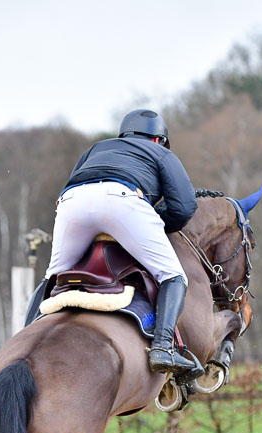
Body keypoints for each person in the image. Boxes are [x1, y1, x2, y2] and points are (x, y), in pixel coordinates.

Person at [25, 109, 199, 375]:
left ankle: (23, 341)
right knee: (173, 276)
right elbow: (184, 207)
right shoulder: (161, 153)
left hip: (72, 201)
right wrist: (153, 226)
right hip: (122, 200)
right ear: (157, 139)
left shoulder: (96, 148)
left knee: (52, 276)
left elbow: (76, 180)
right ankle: (163, 348)